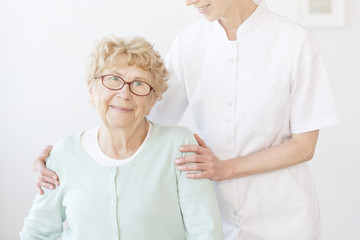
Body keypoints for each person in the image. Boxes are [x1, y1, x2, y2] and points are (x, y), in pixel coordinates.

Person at [33, 0, 340, 239]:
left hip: (284, 219)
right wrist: (67, 158)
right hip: (212, 218)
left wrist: (224, 168)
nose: (189, 2)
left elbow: (304, 146)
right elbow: (137, 109)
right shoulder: (189, 43)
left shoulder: (296, 43)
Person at [21, 36, 223, 240]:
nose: (125, 93)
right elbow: (36, 233)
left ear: (152, 100)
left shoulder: (180, 147)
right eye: (114, 79)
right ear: (91, 89)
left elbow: (206, 234)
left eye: (139, 83)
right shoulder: (64, 153)